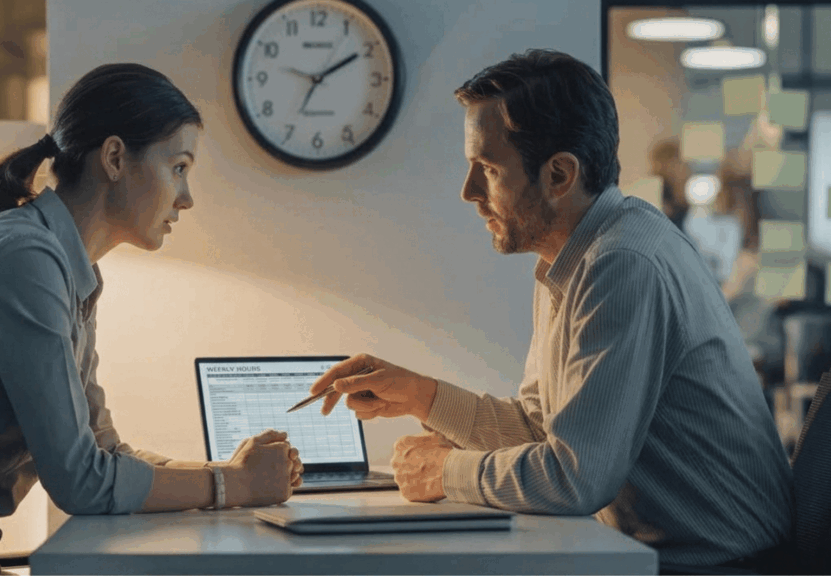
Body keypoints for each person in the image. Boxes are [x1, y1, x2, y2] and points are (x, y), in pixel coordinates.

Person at [309, 50, 792, 572]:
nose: (468, 191)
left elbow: (574, 478)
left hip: (723, 568)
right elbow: (543, 432)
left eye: (489, 169)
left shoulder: (622, 264)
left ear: (560, 175)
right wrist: (422, 395)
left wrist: (445, 471)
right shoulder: (571, 258)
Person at [0, 63, 302, 574]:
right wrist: (233, 485)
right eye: (179, 167)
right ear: (115, 157)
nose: (187, 197)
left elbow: (103, 449)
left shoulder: (65, 268)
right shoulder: (25, 259)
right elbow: (81, 481)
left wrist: (232, 473)